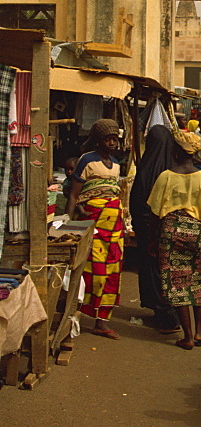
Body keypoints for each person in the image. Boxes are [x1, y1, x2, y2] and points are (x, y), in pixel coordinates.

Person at [147, 131, 201, 350]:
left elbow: (154, 213)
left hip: (171, 233)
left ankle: (187, 336)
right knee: (197, 282)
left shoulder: (166, 177)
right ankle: (200, 331)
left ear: (177, 151)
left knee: (178, 283)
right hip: (197, 232)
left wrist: (153, 239)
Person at [65, 119, 125, 339]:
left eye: (115, 139)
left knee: (112, 274)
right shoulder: (87, 161)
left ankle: (102, 321)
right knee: (92, 273)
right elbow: (74, 194)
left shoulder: (117, 164)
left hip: (115, 228)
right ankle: (76, 314)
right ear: (98, 140)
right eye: (108, 138)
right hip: (93, 225)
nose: (112, 143)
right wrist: (68, 225)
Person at [129, 124, 180, 333]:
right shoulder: (175, 169)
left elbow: (140, 201)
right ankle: (171, 311)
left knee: (153, 270)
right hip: (171, 229)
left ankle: (164, 314)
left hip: (149, 229)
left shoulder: (147, 168)